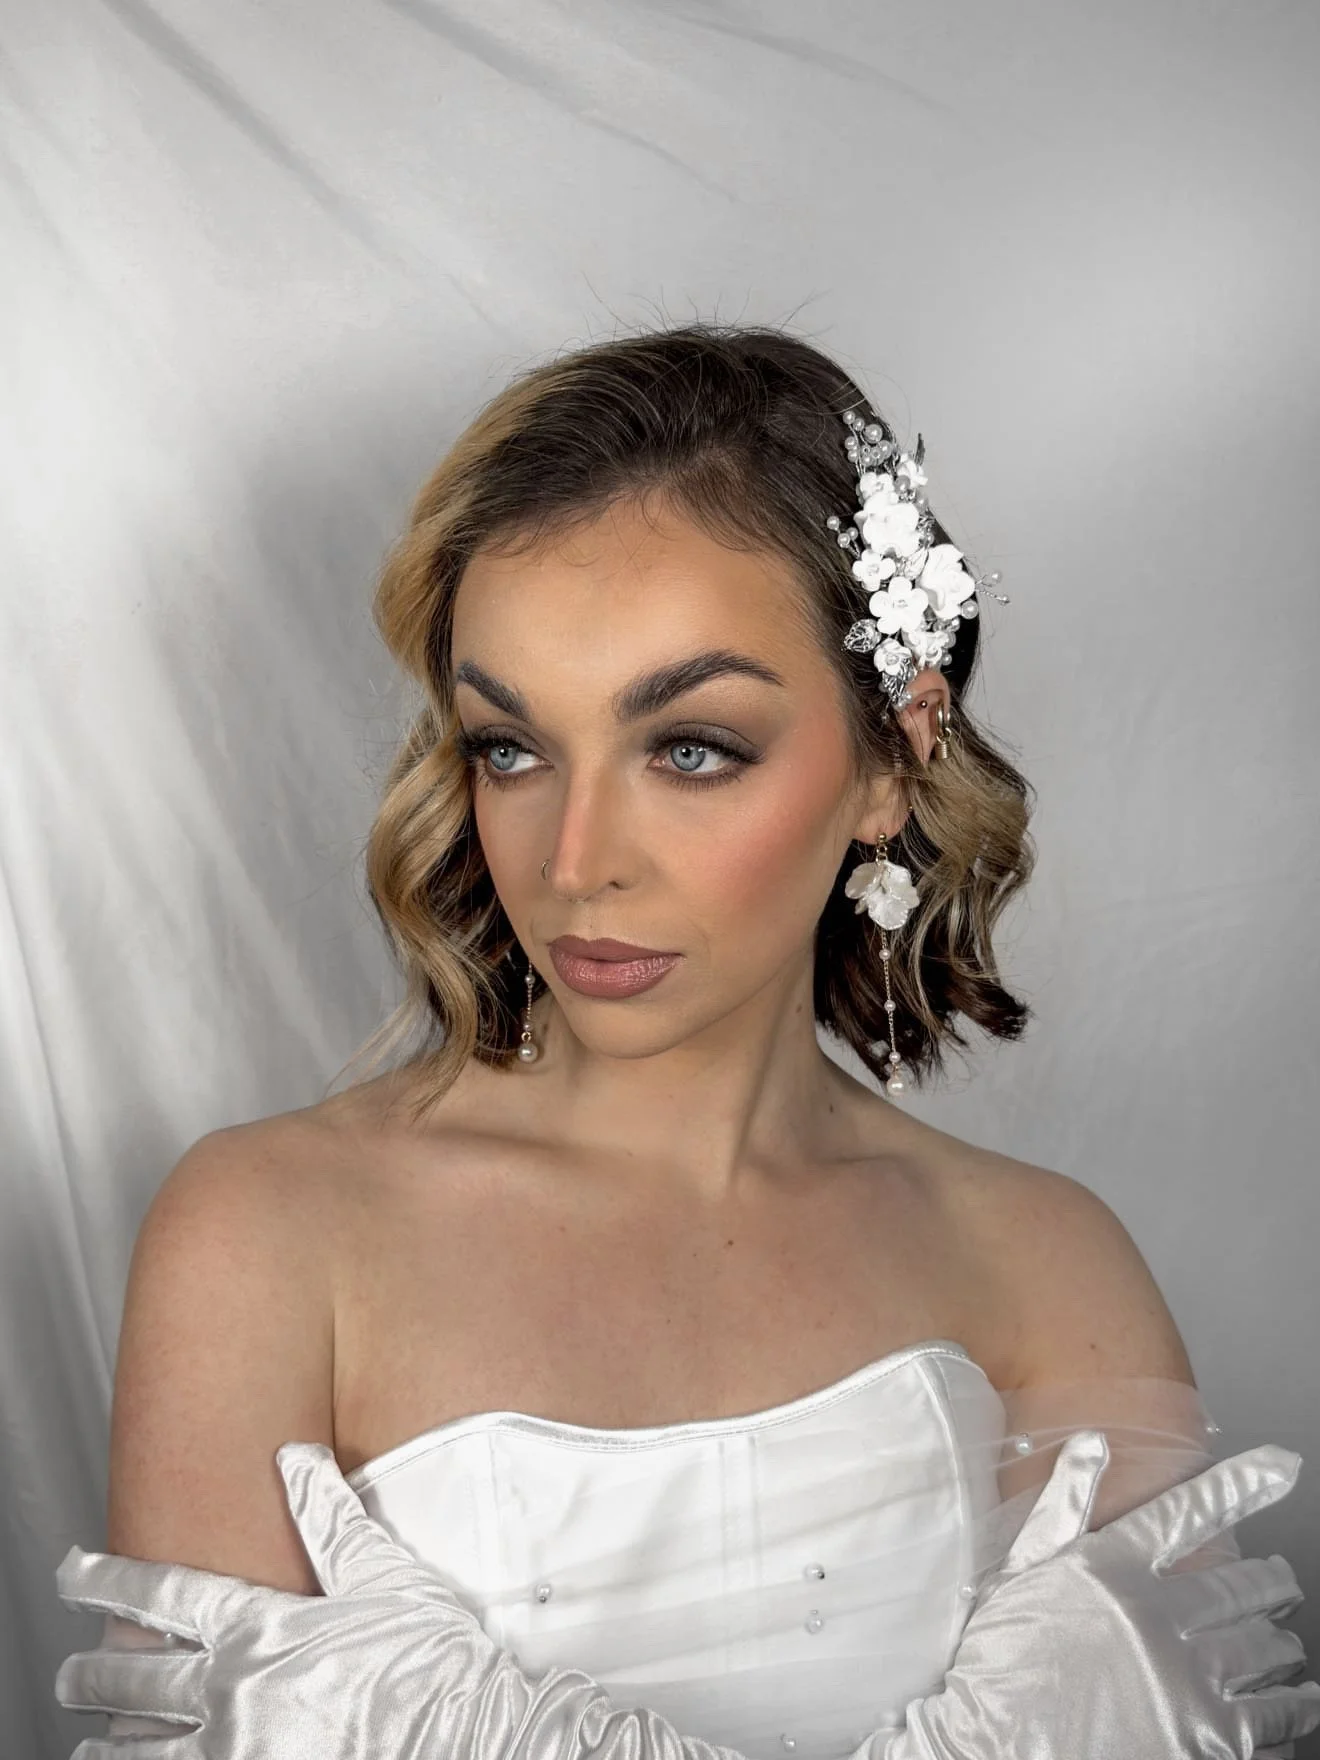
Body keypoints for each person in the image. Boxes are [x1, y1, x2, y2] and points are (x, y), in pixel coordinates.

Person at [57, 323, 1318, 1756]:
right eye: (511, 748)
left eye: (691, 749)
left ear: (893, 758)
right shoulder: (267, 1237)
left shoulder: (1046, 1263)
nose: (575, 859)